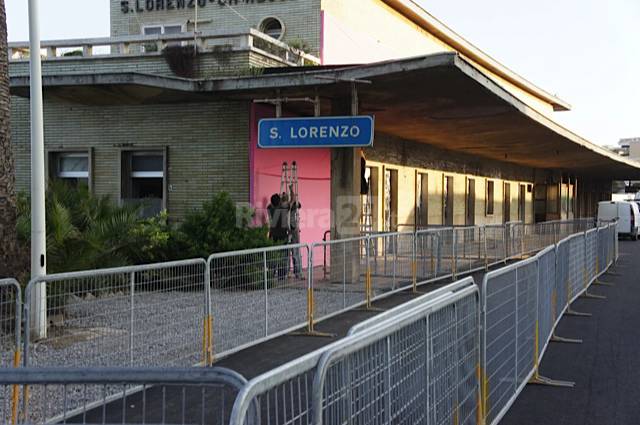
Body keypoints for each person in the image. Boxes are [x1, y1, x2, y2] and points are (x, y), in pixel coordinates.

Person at [289, 187, 303, 279]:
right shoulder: (289, 207)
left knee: (289, 253)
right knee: (295, 253)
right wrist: (291, 190)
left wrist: (291, 191)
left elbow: (295, 202)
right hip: (292, 231)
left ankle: (286, 273)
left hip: (290, 231)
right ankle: (297, 272)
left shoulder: (282, 207)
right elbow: (294, 200)